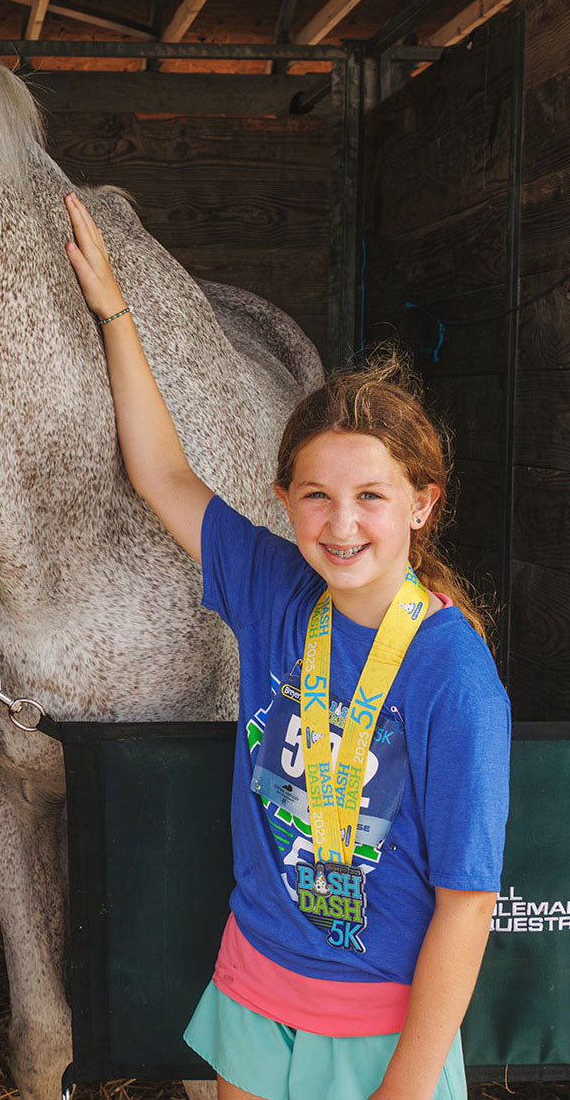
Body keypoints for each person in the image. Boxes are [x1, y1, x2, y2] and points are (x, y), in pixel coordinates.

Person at [63, 190, 510, 1100]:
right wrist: (112, 308)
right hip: (258, 984)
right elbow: (162, 472)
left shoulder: (452, 671)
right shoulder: (273, 585)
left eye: (372, 497)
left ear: (422, 504)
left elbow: (469, 904)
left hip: (385, 1025)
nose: (341, 523)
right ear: (282, 498)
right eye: (316, 495)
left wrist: (407, 1085)